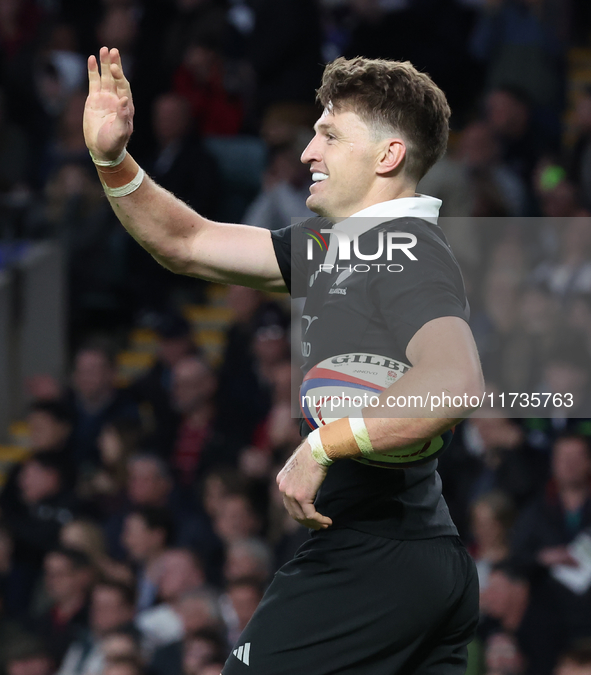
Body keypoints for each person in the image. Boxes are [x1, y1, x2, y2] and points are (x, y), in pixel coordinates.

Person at [84, 48, 484, 674]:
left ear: (388, 156)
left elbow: (454, 384)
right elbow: (186, 242)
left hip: (371, 561)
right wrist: (114, 161)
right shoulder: (338, 248)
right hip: (419, 558)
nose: (307, 153)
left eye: (329, 134)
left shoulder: (402, 254)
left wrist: (323, 446)